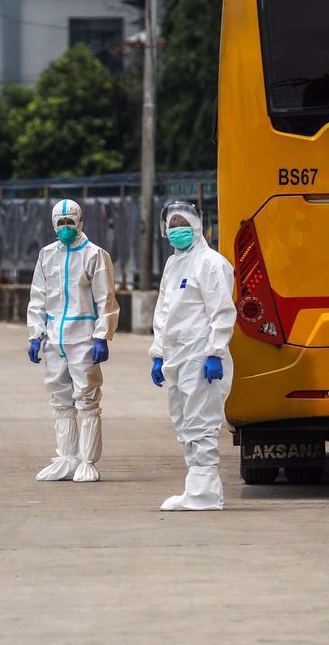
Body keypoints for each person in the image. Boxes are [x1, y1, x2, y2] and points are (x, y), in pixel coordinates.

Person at [149, 201, 237, 511]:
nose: (176, 230)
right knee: (184, 423)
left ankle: (206, 493)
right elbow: (163, 312)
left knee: (202, 423)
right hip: (176, 357)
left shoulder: (211, 263)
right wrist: (158, 354)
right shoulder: (174, 264)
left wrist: (215, 352)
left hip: (200, 356)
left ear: (196, 226)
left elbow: (222, 311)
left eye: (180, 224)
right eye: (171, 226)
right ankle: (195, 487)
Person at [27, 198, 119, 482]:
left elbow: (106, 299)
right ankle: (66, 458)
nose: (66, 227)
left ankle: (87, 460)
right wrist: (35, 333)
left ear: (80, 222)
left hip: (83, 336)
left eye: (70, 222)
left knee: (87, 399)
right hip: (55, 337)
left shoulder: (94, 255)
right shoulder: (47, 254)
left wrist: (102, 335)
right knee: (60, 399)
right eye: (60, 223)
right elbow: (38, 296)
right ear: (53, 225)